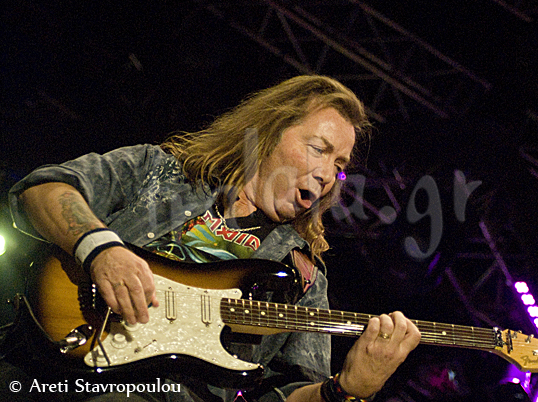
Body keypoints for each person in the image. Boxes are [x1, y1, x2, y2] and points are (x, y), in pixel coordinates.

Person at [7, 75, 421, 401]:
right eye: (318, 149)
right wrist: (101, 249)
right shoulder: (163, 172)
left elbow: (281, 395)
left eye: (340, 166)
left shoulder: (304, 278)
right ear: (269, 132)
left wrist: (345, 390)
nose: (328, 174)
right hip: (36, 365)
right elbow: (44, 189)